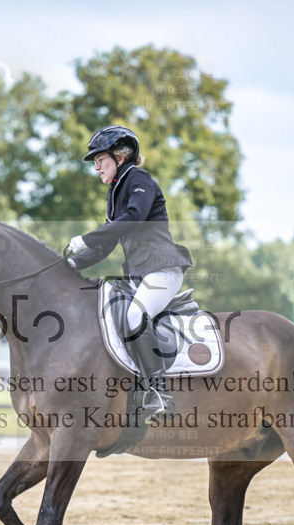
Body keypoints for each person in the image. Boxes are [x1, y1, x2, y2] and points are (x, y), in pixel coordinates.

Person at [66, 125, 193, 421]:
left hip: (162, 270)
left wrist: (87, 237)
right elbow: (105, 246)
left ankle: (160, 393)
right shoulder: (115, 193)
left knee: (134, 317)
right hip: (140, 275)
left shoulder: (139, 180)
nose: (96, 166)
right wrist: (70, 265)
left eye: (100, 159)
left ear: (120, 157)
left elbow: (134, 219)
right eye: (95, 162)